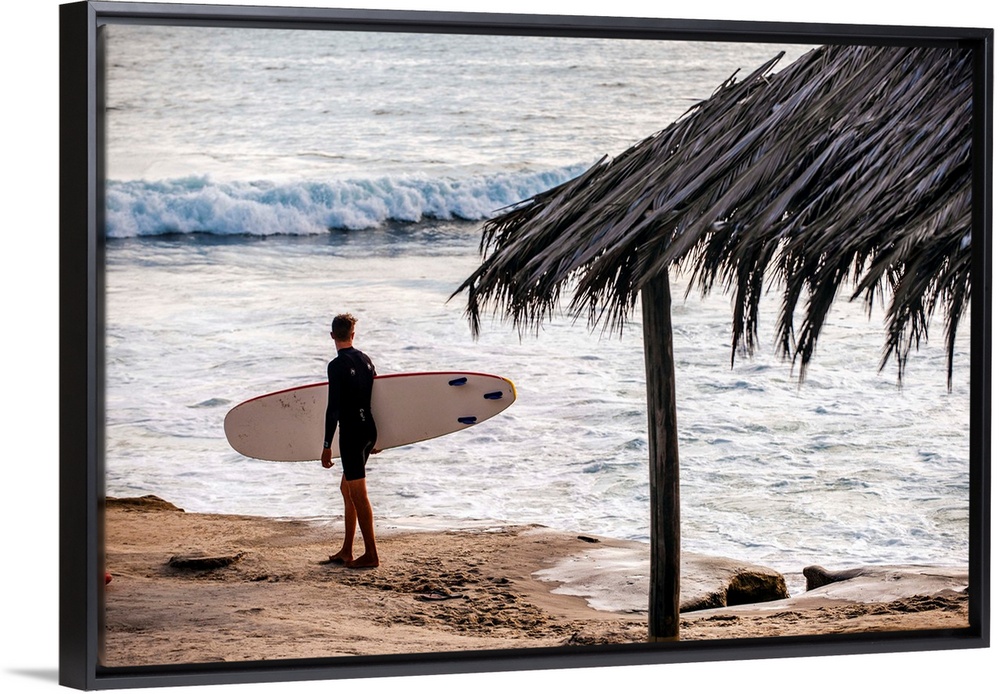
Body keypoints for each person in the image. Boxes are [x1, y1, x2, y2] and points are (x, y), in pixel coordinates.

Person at [321, 313, 380, 568]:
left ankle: (371, 555)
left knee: (358, 494)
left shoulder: (336, 366)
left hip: (352, 435)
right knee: (347, 490)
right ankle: (347, 550)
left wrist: (326, 447)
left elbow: (333, 408)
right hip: (368, 430)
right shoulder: (366, 360)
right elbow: (378, 398)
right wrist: (379, 437)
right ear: (352, 335)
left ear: (332, 335)